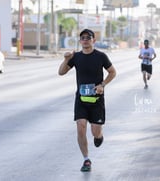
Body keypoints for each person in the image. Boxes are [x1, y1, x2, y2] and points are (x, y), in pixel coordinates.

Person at [58, 29, 116, 172]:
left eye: (88, 37)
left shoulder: (101, 56)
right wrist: (66, 59)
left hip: (96, 100)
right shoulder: (76, 57)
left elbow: (113, 72)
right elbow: (61, 72)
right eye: (82, 38)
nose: (85, 40)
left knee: (95, 131)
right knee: (81, 127)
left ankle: (99, 136)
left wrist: (102, 85)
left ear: (93, 40)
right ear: (80, 41)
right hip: (81, 100)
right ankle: (86, 160)